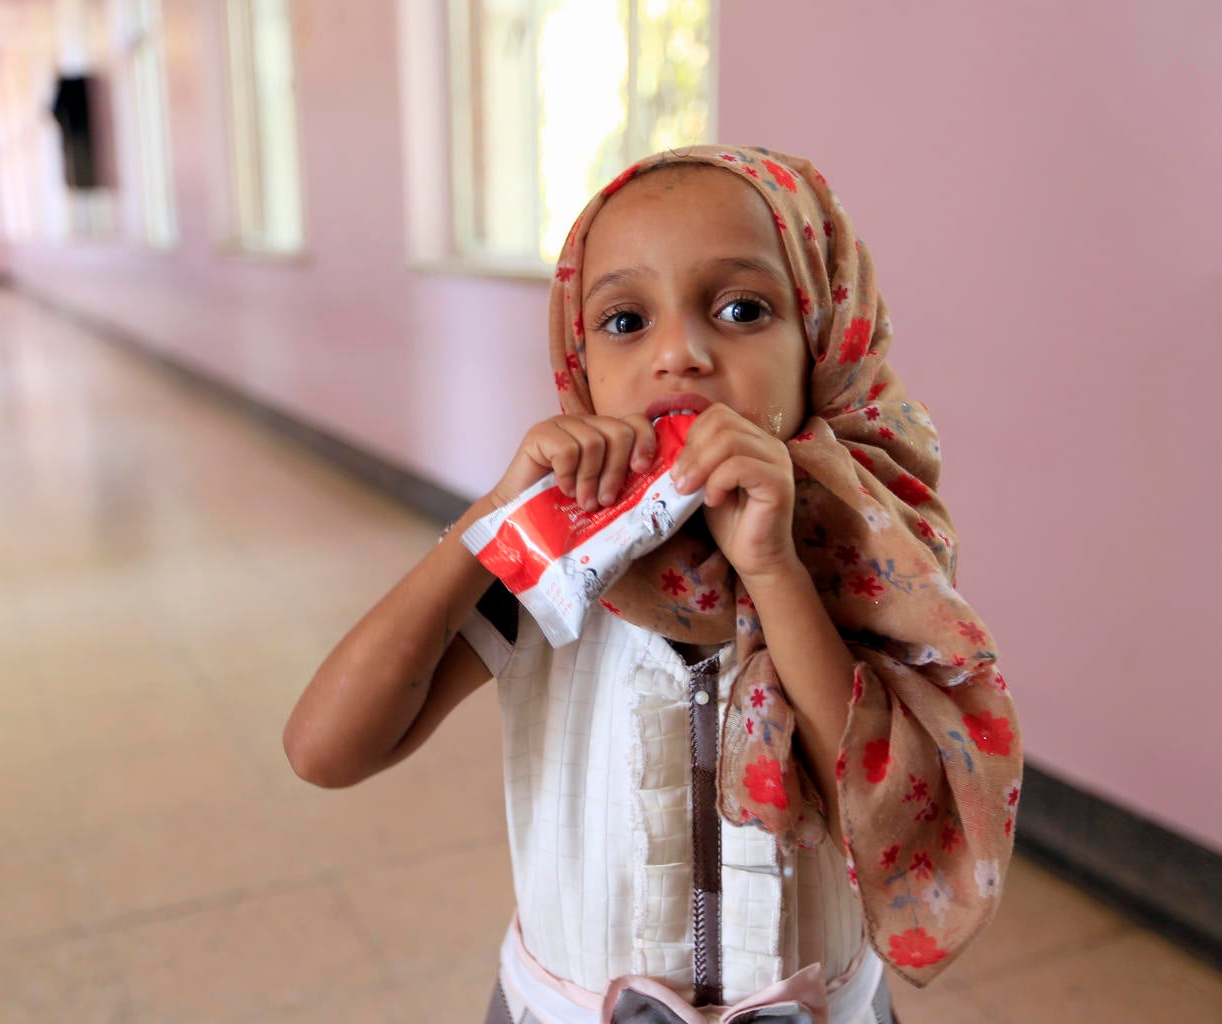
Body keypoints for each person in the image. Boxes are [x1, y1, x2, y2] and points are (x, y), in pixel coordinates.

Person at [285, 145, 1022, 1023]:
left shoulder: (871, 550)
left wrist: (775, 569)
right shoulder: (556, 553)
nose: (680, 355)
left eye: (742, 309)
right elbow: (324, 750)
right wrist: (493, 521)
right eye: (626, 322)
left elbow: (892, 816)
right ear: (579, 361)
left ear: (824, 338)